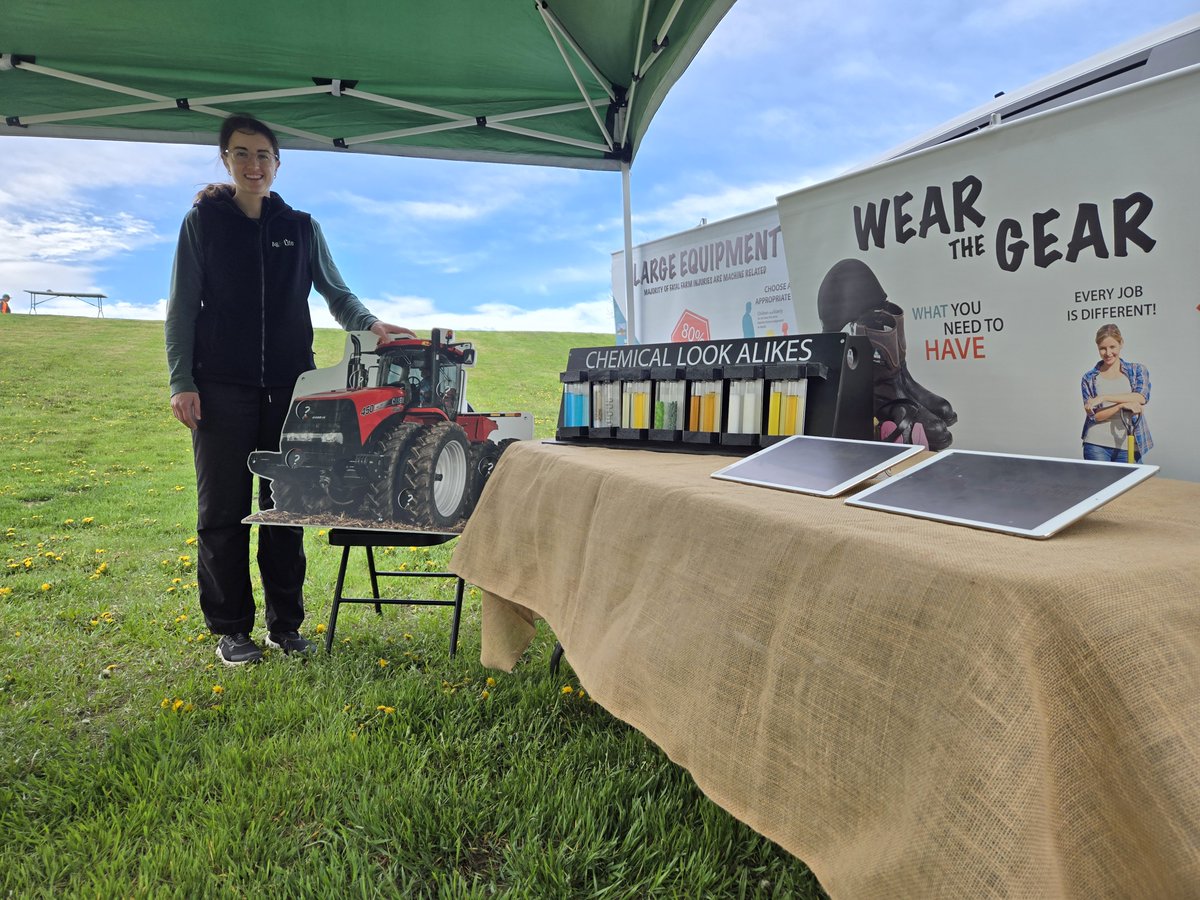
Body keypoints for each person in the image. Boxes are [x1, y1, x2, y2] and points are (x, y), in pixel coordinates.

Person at [165, 114, 413, 666]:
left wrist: (371, 325)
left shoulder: (301, 226)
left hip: (290, 390)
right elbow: (181, 306)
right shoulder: (202, 222)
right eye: (241, 154)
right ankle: (232, 630)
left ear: (278, 164)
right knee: (223, 512)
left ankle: (286, 626)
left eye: (263, 156)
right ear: (226, 161)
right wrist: (182, 380)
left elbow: (335, 291)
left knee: (286, 508)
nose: (253, 166)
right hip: (220, 389)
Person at [1080, 323, 1152, 463]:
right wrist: (1121, 406)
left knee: (1132, 484)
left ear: (1121, 344)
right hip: (1096, 444)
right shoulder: (1089, 378)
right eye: (1102, 348)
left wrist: (1104, 397)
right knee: (1102, 485)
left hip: (1128, 444)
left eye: (1112, 347)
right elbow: (1095, 416)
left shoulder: (1137, 370)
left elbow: (1141, 397)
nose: (1108, 353)